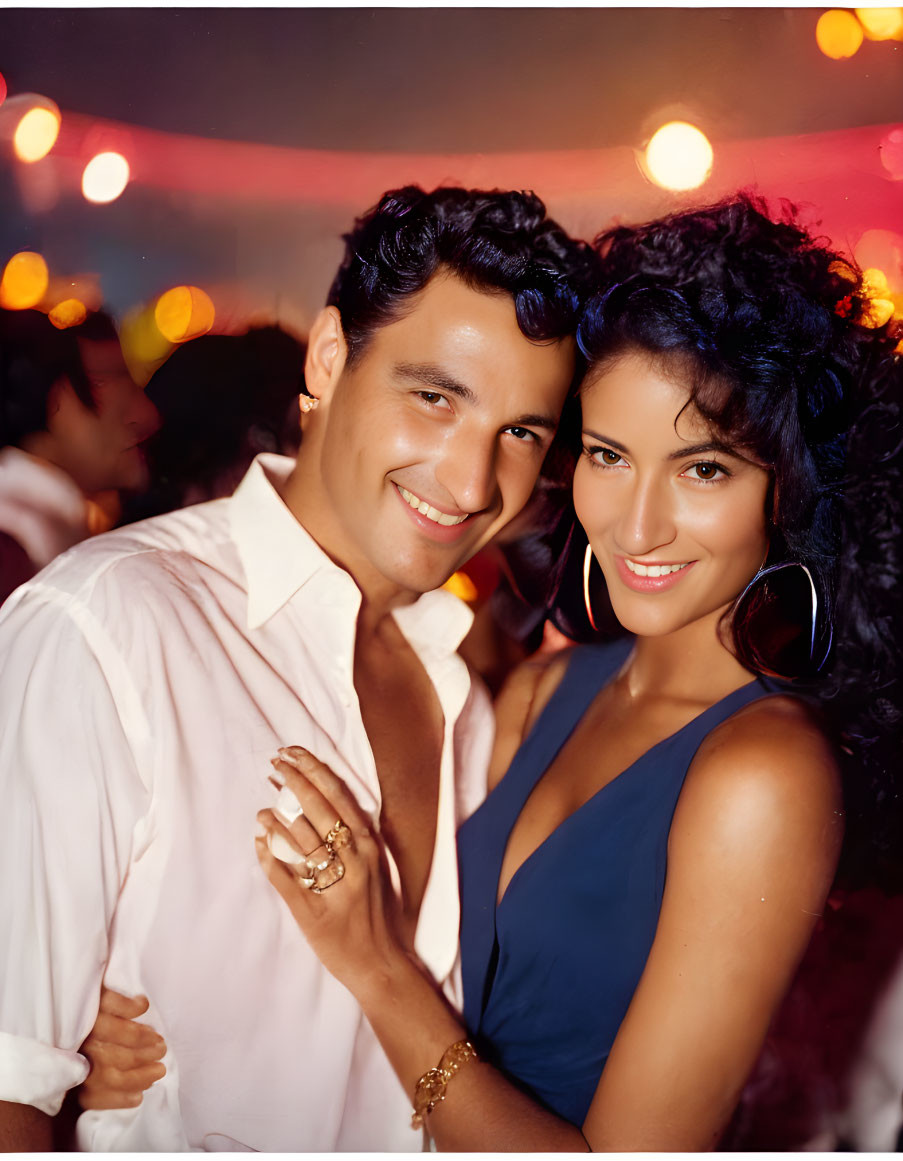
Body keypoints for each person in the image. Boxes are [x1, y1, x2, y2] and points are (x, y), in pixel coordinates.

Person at [87, 196, 901, 1149]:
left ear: (789, 487)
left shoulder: (765, 772)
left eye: (703, 469)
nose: (638, 526)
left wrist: (381, 969)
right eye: (607, 454)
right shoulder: (537, 692)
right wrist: (148, 1025)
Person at [0, 186, 594, 1151]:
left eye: (519, 432)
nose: (473, 480)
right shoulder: (109, 625)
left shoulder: (462, 700)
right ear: (327, 359)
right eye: (435, 397)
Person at [0, 307, 160, 603]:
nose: (144, 416)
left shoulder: (46, 527)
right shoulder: (14, 551)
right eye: (99, 383)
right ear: (59, 401)